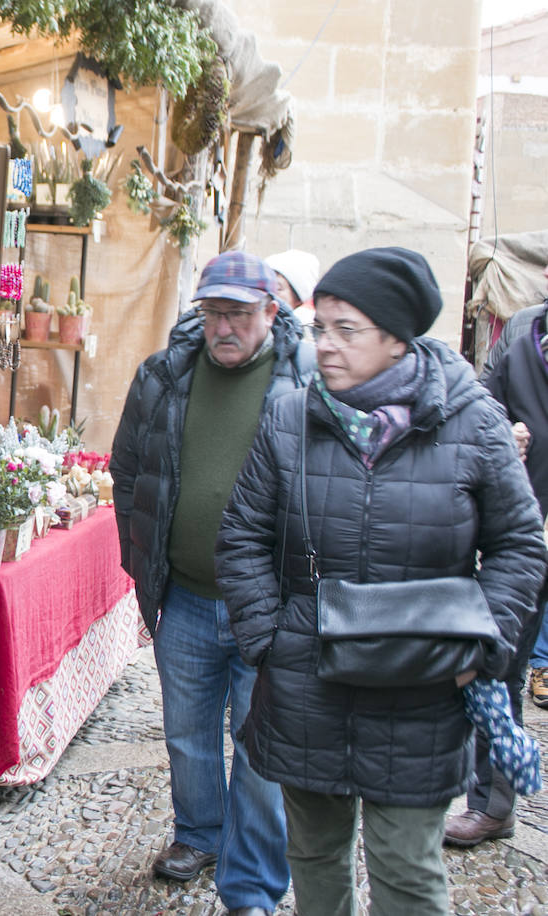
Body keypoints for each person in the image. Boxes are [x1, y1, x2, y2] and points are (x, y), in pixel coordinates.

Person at [215, 247, 546, 915]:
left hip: (420, 693)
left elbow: (519, 545)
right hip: (307, 685)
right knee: (314, 857)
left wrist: (479, 646)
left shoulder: (474, 423)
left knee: (407, 872)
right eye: (320, 328)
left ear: (398, 338)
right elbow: (242, 535)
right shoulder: (289, 417)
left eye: (347, 329)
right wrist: (270, 640)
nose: (326, 346)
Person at [110, 250, 313, 916]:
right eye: (213, 312)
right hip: (189, 599)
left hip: (268, 607)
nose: (224, 327)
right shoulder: (164, 376)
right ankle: (198, 835)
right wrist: (142, 568)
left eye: (239, 314)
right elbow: (129, 474)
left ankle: (252, 879)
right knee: (186, 733)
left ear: (271, 312)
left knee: (260, 747)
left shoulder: (305, 382)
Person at [445, 291, 548, 846]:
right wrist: (500, 431)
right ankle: (492, 803)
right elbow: (485, 401)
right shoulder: (525, 330)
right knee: (502, 662)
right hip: (524, 526)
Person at [265, 249, 320, 326]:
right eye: (264, 285)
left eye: (277, 288)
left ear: (298, 301)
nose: (267, 292)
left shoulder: (303, 333)